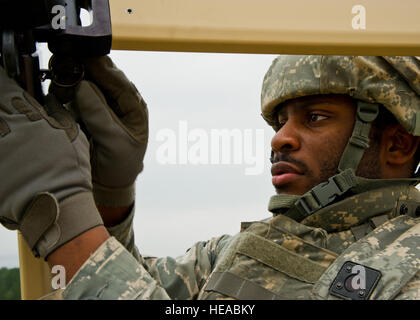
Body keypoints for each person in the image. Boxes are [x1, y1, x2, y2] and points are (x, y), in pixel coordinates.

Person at [0, 55, 420, 300]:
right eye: (279, 121)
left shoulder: (409, 263)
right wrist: (108, 194)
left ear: (397, 144)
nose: (281, 138)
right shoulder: (243, 249)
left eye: (315, 118)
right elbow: (136, 285)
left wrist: (63, 213)